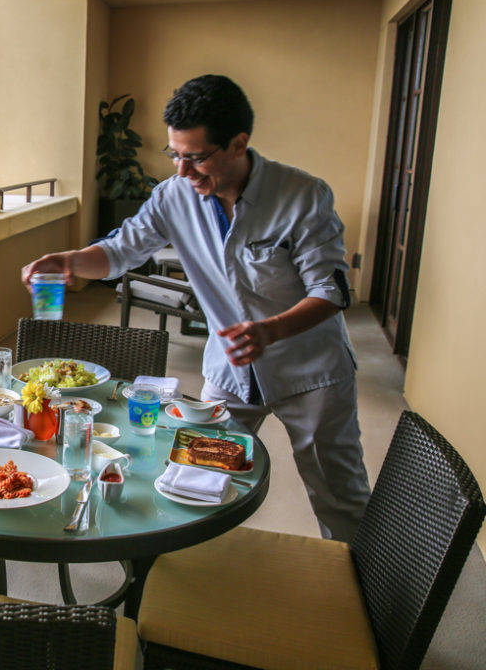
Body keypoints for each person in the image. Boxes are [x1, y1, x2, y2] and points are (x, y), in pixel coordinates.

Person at [22, 75, 371, 542]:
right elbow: (121, 250)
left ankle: (361, 602)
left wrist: (270, 331)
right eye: (176, 155)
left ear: (238, 143)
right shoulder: (173, 196)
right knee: (194, 482)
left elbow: (332, 289)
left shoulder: (303, 195)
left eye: (196, 157)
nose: (183, 171)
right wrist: (70, 260)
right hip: (229, 372)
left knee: (338, 494)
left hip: (312, 373)